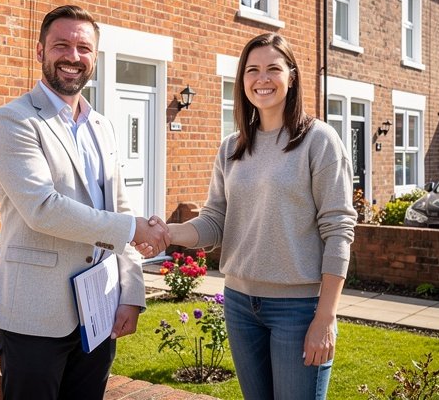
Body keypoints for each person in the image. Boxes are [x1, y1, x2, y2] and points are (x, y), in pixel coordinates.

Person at [140, 33, 357, 400]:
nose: (263, 79)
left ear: (292, 76)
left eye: (273, 68)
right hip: (240, 303)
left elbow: (339, 230)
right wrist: (166, 233)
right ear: (242, 81)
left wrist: (326, 317)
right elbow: (214, 221)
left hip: (298, 308)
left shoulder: (318, 140)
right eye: (252, 70)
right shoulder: (233, 147)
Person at [0, 5, 171, 400]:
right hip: (32, 314)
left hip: (97, 312)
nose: (72, 57)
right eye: (61, 45)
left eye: (83, 48)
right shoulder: (12, 121)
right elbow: (43, 208)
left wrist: (132, 292)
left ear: (94, 58)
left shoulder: (103, 126)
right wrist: (134, 228)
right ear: (39, 51)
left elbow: (119, 206)